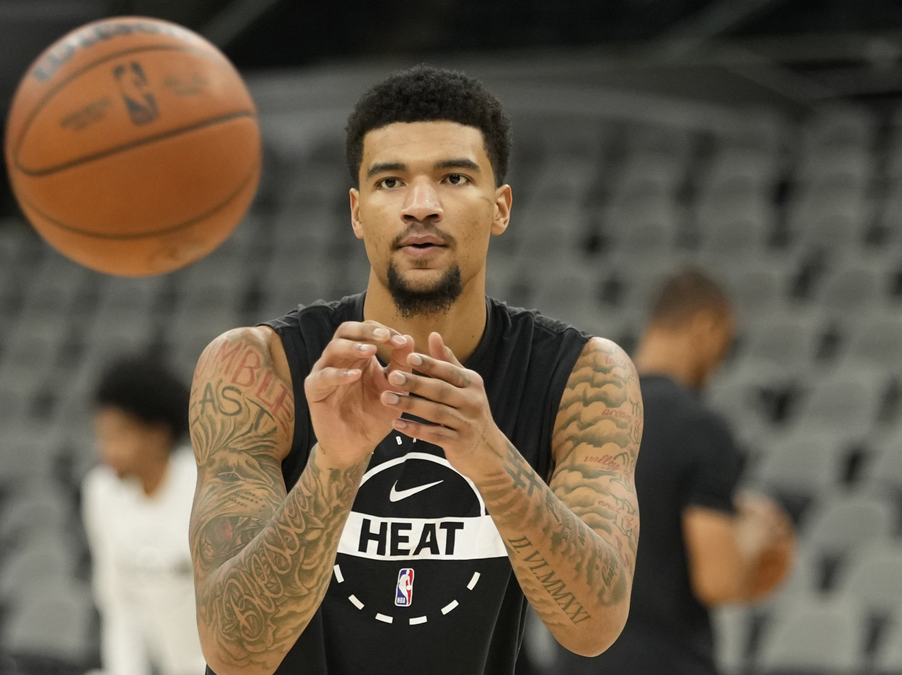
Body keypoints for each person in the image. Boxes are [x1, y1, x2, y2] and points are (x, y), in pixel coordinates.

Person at [187, 65, 644, 675]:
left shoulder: (583, 377)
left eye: (454, 177)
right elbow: (233, 649)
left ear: (501, 206)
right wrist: (333, 466)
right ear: (356, 211)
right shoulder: (255, 368)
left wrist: (491, 458)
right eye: (390, 181)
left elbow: (593, 627)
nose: (420, 206)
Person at [552, 269, 795, 675]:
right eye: (726, 342)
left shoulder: (578, 419)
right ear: (706, 327)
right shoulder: (700, 427)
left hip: (579, 659)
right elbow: (718, 579)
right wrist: (753, 537)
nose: (722, 359)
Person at [82, 353, 206, 675]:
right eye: (102, 436)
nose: (106, 450)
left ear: (158, 435)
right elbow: (120, 608)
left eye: (119, 435)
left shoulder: (205, 488)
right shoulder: (100, 492)